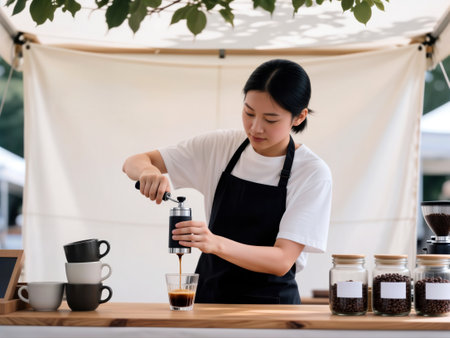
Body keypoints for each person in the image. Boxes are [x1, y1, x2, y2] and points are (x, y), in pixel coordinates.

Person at [122, 59, 332, 304]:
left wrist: (214, 243)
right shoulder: (220, 147)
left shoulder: (312, 172)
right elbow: (134, 162)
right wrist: (149, 172)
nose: (255, 128)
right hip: (208, 301)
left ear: (299, 117)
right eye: (249, 112)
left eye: (270, 120)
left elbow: (282, 260)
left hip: (273, 310)